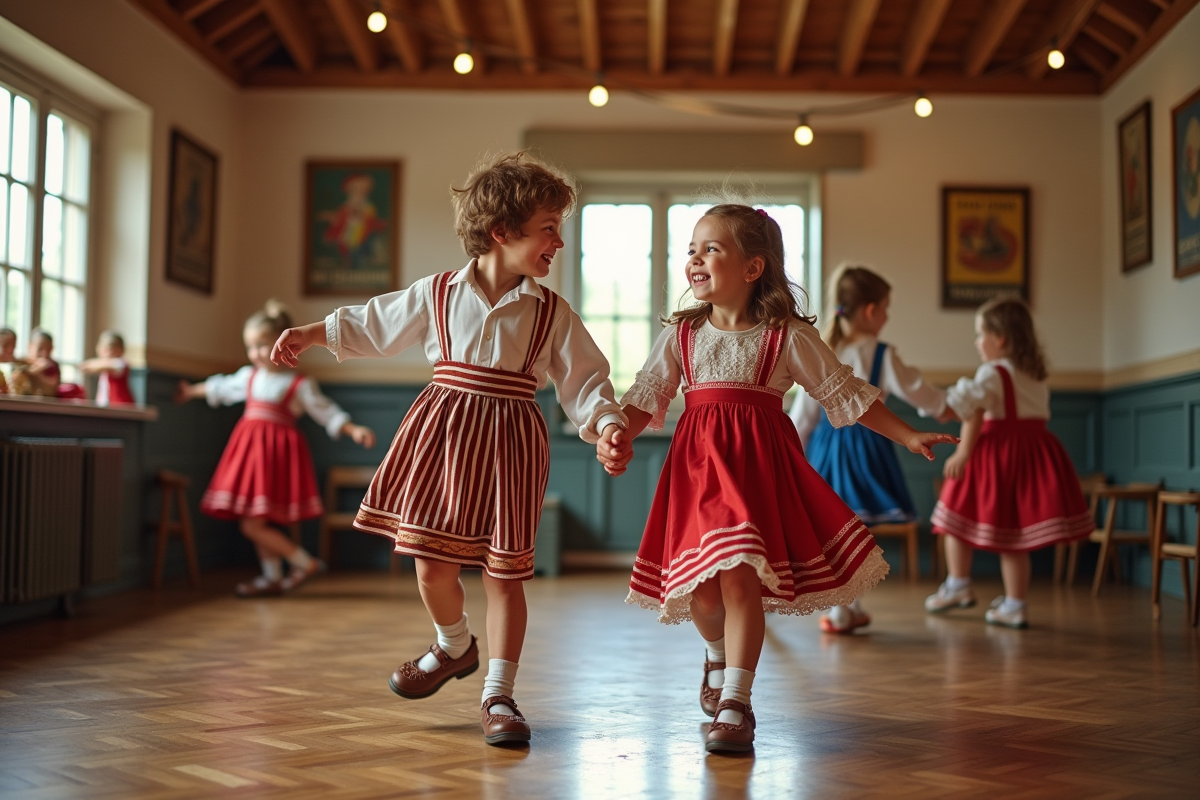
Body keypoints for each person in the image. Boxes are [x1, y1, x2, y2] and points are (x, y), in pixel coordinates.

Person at [271, 152, 625, 747]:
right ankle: (454, 645)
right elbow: (371, 324)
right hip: (441, 439)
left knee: (503, 573)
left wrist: (607, 424)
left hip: (512, 444)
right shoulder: (437, 294)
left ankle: (500, 694)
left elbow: (584, 381)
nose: (558, 242)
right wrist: (310, 333)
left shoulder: (552, 314)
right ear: (502, 231)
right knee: (431, 563)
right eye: (548, 228)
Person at [598, 204, 956, 753]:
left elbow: (843, 392)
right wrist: (618, 430)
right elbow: (648, 397)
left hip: (757, 476)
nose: (695, 258)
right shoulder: (682, 335)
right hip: (697, 476)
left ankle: (736, 702)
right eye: (691, 248)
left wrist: (907, 434)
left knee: (741, 576)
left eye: (711, 248)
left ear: (752, 268)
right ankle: (717, 654)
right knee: (704, 594)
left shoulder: (785, 336)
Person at [175, 300, 376, 598]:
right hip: (249, 457)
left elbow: (326, 412)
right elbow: (221, 387)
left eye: (261, 345)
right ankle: (273, 576)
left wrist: (352, 428)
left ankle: (303, 563)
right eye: (250, 346)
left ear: (283, 344)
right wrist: (192, 391)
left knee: (252, 525)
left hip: (275, 459)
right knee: (254, 521)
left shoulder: (297, 383)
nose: (255, 353)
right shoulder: (249, 377)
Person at [790, 265, 950, 634]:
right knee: (857, 531)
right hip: (867, 450)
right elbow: (922, 393)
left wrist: (791, 458)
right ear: (869, 311)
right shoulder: (882, 354)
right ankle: (846, 607)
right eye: (886, 308)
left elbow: (803, 419)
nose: (887, 316)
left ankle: (845, 606)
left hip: (826, 451)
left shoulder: (823, 352)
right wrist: (947, 407)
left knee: (837, 530)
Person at [926, 297, 1091, 629]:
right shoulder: (1034, 373)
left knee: (954, 513)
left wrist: (963, 453)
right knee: (1016, 535)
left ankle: (958, 583)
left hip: (995, 454)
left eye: (980, 333)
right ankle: (1016, 603)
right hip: (1034, 453)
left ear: (1000, 337)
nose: (977, 342)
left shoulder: (993, 372)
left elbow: (972, 411)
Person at [80, 330, 136, 405]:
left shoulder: (121, 363)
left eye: (109, 349)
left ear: (121, 350)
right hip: (108, 406)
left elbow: (103, 366)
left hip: (121, 406)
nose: (108, 353)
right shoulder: (105, 367)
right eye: (104, 349)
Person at [24, 328, 61, 397]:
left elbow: (51, 392)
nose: (45, 354)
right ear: (30, 346)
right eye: (40, 349)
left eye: (49, 349)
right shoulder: (22, 365)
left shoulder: (53, 366)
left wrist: (38, 374)